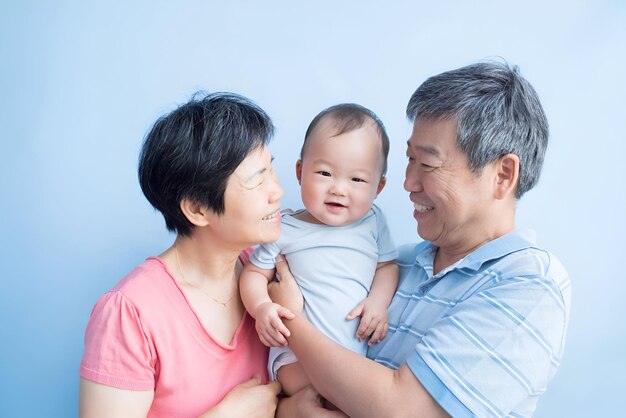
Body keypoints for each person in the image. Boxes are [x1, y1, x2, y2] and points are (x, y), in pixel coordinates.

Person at [270, 61, 572, 417]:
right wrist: (289, 410)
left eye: (427, 164)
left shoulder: (529, 283)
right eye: (409, 159)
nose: (408, 183)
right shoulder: (395, 265)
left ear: (502, 175)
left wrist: (291, 321)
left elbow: (402, 410)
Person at [79, 92, 283, 417]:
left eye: (271, 170)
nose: (277, 191)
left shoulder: (269, 271)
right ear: (198, 208)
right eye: (257, 181)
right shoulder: (129, 313)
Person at [240, 103, 399, 400]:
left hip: (354, 357)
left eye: (357, 179)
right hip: (294, 357)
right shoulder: (284, 227)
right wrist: (262, 307)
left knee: (355, 396)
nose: (339, 189)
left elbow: (387, 267)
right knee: (320, 398)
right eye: (325, 173)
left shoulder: (373, 222)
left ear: (378, 187)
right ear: (300, 171)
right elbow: (253, 273)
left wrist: (377, 303)